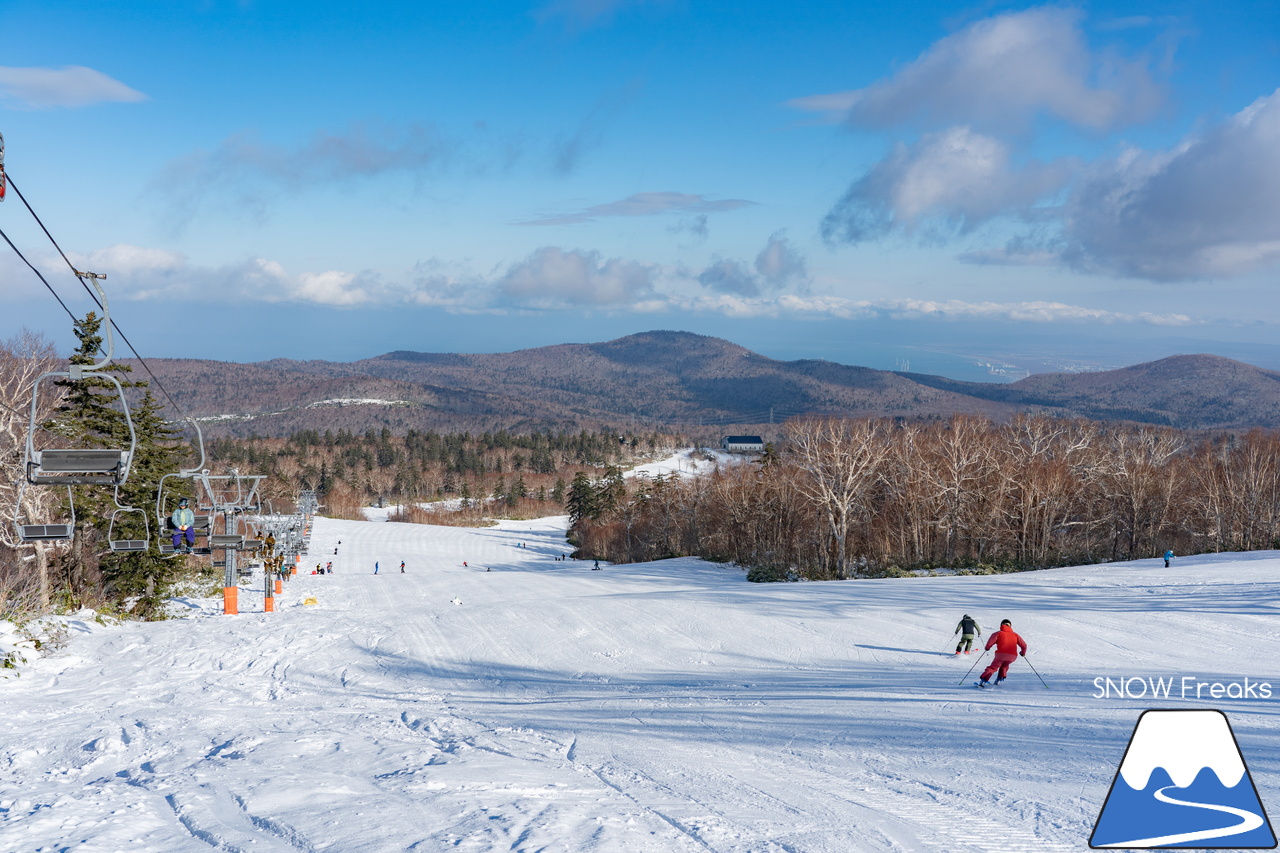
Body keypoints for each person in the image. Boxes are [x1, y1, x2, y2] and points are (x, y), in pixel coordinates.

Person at [978, 619, 1027, 687]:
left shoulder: (998, 633)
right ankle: (999, 680)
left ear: (1001, 625)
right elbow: (1024, 645)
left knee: (993, 668)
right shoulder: (1015, 635)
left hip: (1001, 655)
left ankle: (983, 681)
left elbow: (990, 641)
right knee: (1004, 666)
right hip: (1012, 656)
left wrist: (987, 648)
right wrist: (1023, 652)